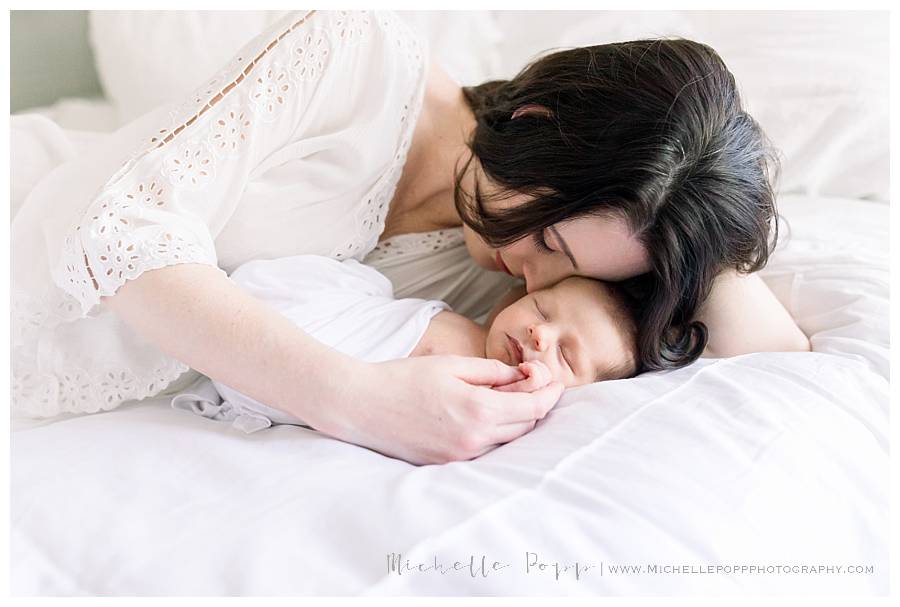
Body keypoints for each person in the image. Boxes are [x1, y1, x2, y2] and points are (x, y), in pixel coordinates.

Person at [10, 10, 808, 465]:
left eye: (570, 269)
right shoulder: (353, 55)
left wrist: (699, 211)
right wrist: (352, 399)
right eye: (551, 242)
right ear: (534, 123)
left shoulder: (519, 302)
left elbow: (777, 363)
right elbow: (119, 229)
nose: (528, 275)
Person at [169, 254, 638, 434]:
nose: (540, 334)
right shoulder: (463, 327)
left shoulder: (512, 405)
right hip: (286, 334)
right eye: (541, 309)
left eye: (565, 354)